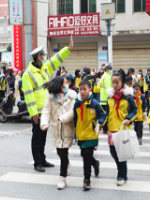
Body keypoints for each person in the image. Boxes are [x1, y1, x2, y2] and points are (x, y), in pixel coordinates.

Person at [22, 35, 73, 172]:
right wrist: (33, 114)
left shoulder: (44, 68)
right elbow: (29, 95)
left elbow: (55, 60)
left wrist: (67, 49)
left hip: (46, 110)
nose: (45, 56)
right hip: (37, 112)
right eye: (43, 55)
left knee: (43, 136)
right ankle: (37, 162)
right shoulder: (28, 74)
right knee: (37, 137)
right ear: (38, 57)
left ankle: (42, 159)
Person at [40, 76, 77, 190]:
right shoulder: (51, 98)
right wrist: (44, 123)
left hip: (66, 129)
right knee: (59, 151)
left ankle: (62, 178)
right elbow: (46, 111)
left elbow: (72, 112)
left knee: (63, 154)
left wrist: (63, 118)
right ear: (60, 85)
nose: (67, 84)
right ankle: (67, 164)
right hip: (56, 129)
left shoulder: (71, 97)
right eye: (65, 82)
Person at [104, 69, 137, 186]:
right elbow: (107, 113)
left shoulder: (128, 97)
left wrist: (129, 118)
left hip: (122, 130)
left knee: (121, 155)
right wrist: (104, 126)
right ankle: (122, 173)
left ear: (122, 82)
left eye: (116, 82)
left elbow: (135, 111)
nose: (114, 85)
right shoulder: (110, 97)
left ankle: (122, 176)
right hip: (112, 130)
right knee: (113, 153)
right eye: (113, 82)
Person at [73, 79, 107, 191]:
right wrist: (74, 132)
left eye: (84, 89)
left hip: (92, 134)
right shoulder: (77, 104)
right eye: (80, 89)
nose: (82, 92)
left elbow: (103, 115)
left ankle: (86, 179)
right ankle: (95, 163)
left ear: (90, 90)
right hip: (81, 135)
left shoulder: (95, 104)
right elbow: (75, 119)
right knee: (85, 155)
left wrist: (100, 123)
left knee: (86, 156)